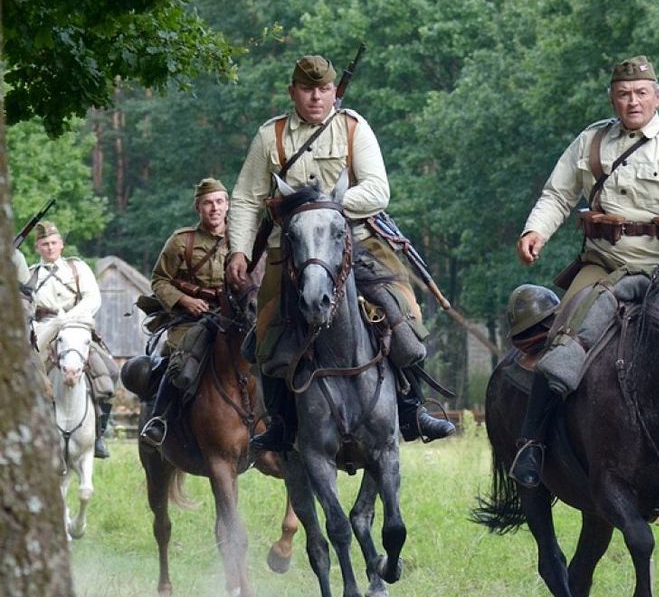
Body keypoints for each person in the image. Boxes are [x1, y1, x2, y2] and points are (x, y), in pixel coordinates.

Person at [509, 54, 659, 487]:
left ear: (657, 96)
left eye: (641, 93)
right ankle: (532, 444)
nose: (633, 102)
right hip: (604, 264)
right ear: (613, 98)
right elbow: (558, 194)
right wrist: (535, 230)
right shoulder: (590, 142)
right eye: (623, 94)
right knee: (561, 346)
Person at [225, 54, 454, 452]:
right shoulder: (270, 136)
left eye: (324, 89)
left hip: (358, 241)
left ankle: (412, 408)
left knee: (405, 312)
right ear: (292, 92)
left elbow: (378, 189)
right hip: (292, 251)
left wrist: (327, 210)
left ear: (334, 91)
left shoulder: (353, 128)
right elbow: (245, 199)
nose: (316, 97)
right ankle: (282, 423)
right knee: (265, 333)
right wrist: (239, 252)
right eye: (308, 89)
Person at [139, 178, 231, 446]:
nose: (214, 208)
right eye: (207, 203)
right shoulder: (181, 242)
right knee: (181, 362)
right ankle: (160, 419)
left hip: (234, 315)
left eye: (219, 202)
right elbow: (159, 280)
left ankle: (280, 425)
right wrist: (184, 300)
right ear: (198, 208)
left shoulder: (243, 240)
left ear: (228, 205)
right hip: (192, 319)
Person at [26, 220, 117, 458]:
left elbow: (92, 299)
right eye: (44, 244)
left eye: (54, 243)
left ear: (61, 245)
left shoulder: (77, 268)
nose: (50, 248)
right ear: (37, 247)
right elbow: (25, 306)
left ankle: (98, 435)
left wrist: (70, 318)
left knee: (109, 375)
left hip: (77, 328)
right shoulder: (31, 274)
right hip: (44, 331)